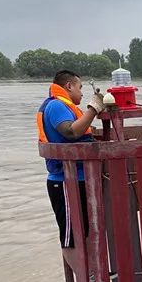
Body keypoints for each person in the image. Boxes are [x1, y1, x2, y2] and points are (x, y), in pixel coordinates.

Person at [36, 70, 105, 248]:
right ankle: (84, 274)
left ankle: (90, 273)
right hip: (65, 181)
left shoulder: (65, 106)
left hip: (79, 178)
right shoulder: (56, 106)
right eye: (79, 87)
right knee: (71, 238)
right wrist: (93, 109)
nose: (82, 93)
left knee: (85, 232)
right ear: (69, 86)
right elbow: (71, 131)